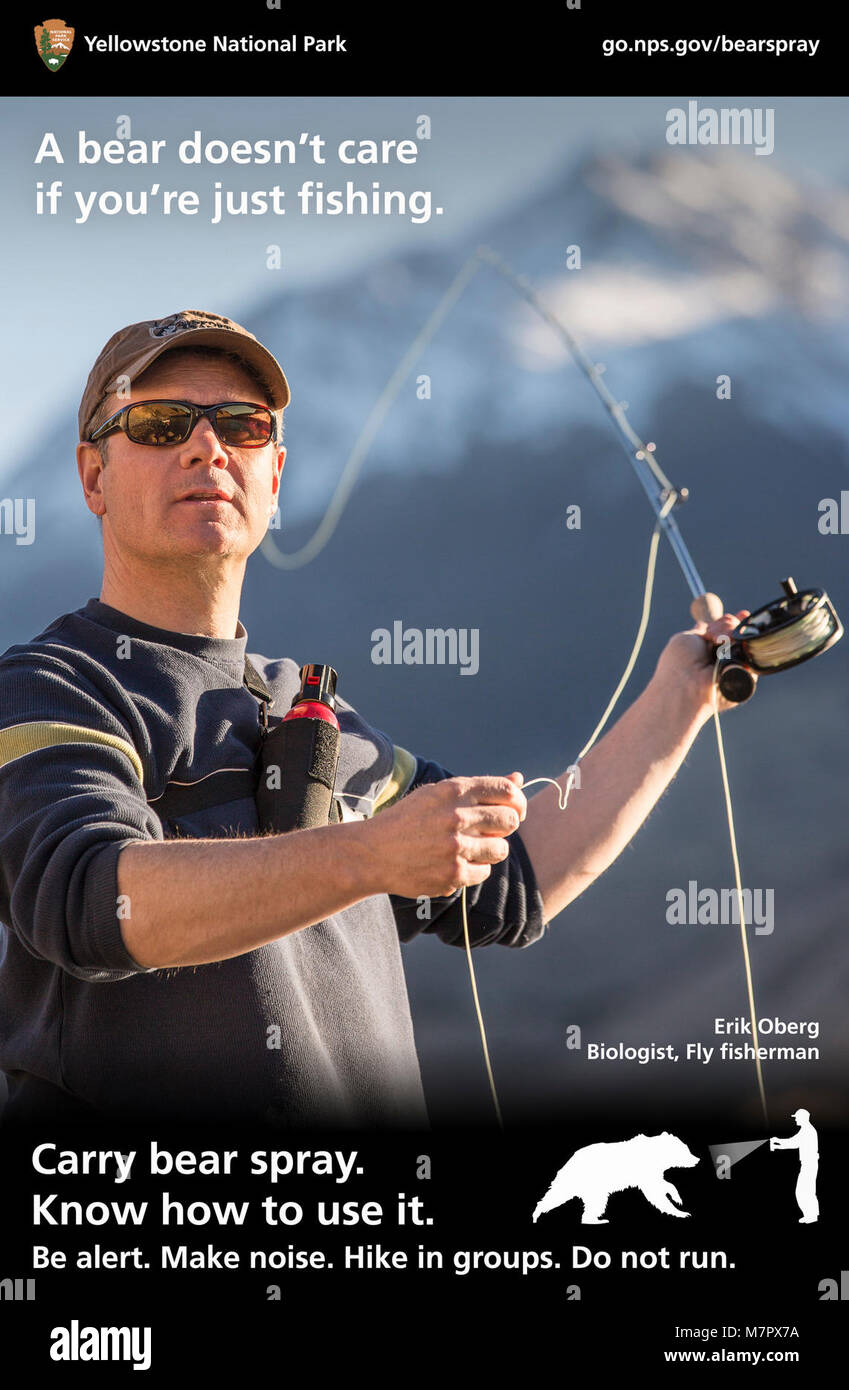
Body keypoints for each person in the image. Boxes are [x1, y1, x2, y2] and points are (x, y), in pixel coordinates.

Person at [0, 310, 746, 1128]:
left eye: (242, 427)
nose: (206, 448)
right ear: (93, 477)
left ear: (274, 475)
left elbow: (518, 876)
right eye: (159, 422)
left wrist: (683, 698)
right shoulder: (53, 688)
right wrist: (366, 854)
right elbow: (92, 901)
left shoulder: (322, 718)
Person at [770, 1108, 819, 1222]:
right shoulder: (805, 1130)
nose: (795, 1119)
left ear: (803, 1118)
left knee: (803, 1191)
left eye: (796, 1117)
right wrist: (778, 1143)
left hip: (809, 1164)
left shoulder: (807, 1130)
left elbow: (793, 1143)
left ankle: (811, 1216)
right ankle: (812, 1216)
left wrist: (778, 1143)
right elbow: (794, 1141)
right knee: (808, 1190)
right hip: (809, 1164)